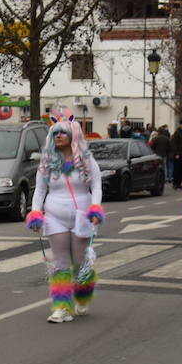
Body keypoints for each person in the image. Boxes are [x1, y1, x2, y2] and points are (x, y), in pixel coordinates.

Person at [26, 115, 104, 324]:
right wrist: (35, 213)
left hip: (81, 216)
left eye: (63, 132)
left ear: (73, 136)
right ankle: (61, 307)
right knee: (59, 263)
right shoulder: (47, 162)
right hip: (54, 216)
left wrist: (95, 208)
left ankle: (83, 295)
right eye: (55, 133)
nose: (58, 136)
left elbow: (96, 186)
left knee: (80, 263)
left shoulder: (86, 160)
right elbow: (39, 191)